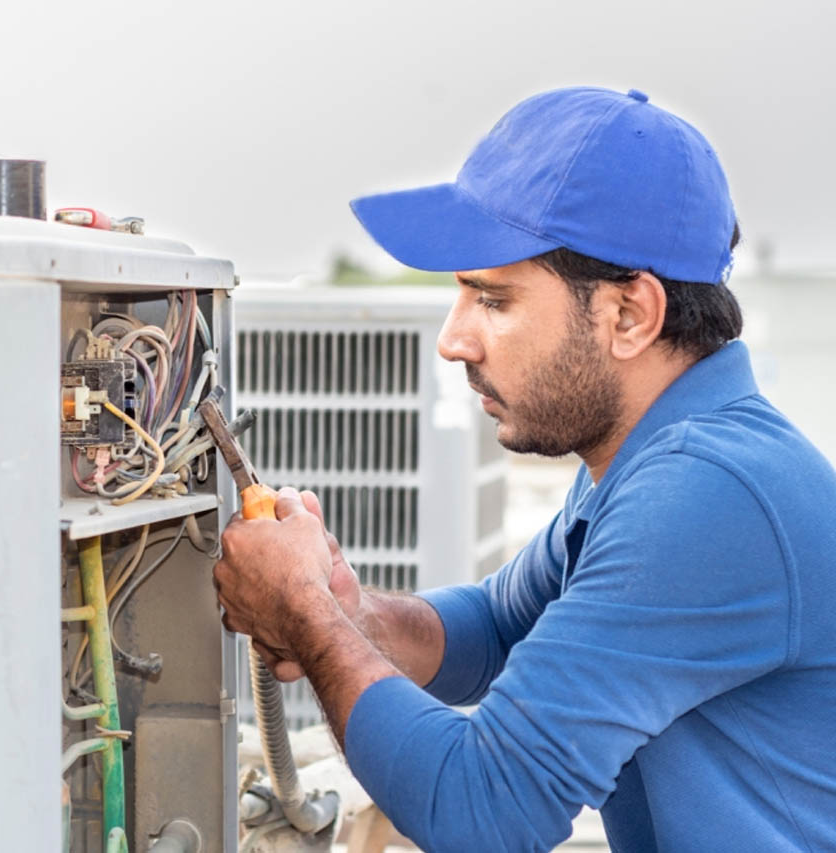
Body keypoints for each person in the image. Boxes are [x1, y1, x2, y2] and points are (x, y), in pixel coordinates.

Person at [213, 87, 836, 852]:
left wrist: (303, 613)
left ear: (631, 315)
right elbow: (500, 629)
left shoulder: (707, 492)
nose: (453, 340)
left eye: (493, 299)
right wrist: (349, 611)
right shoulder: (646, 455)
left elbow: (482, 812)